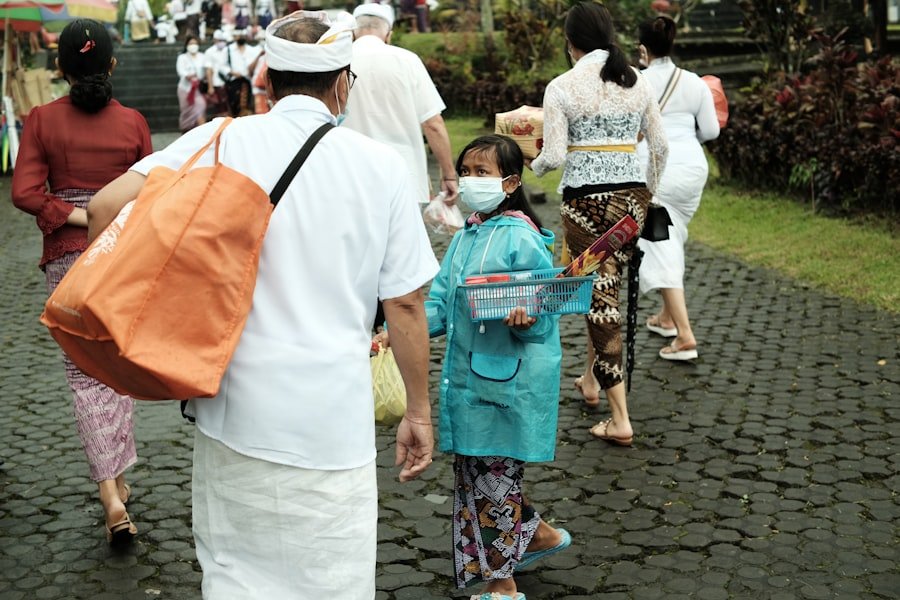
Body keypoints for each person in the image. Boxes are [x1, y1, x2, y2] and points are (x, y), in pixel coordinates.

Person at [87, 13, 438, 598]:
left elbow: (102, 210)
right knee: (332, 578)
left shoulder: (219, 139)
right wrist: (419, 412)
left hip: (233, 409)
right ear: (343, 82)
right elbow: (403, 302)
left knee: (234, 573)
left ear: (268, 79)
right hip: (330, 420)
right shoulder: (381, 167)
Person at [377, 135, 570, 600]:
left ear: (508, 182)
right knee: (480, 475)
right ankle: (539, 534)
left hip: (505, 387)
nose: (470, 180)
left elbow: (545, 312)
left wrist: (528, 319)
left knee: (492, 483)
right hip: (469, 384)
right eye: (466, 170)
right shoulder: (468, 233)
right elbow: (442, 301)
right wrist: (394, 332)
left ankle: (502, 586)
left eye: (482, 173)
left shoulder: (521, 237)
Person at [11, 19, 152, 546]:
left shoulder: (42, 119)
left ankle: (110, 493)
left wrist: (75, 216)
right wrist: (105, 217)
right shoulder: (134, 122)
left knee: (83, 376)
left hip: (67, 261)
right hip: (123, 258)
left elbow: (25, 193)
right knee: (117, 366)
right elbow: (150, 193)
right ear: (112, 64)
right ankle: (116, 480)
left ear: (61, 68)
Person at [529, 1, 667, 446]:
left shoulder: (562, 86)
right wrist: (651, 194)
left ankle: (620, 418)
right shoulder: (637, 80)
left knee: (599, 301)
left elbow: (551, 156)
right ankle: (591, 382)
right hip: (632, 205)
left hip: (585, 209)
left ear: (570, 43)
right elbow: (661, 147)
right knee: (601, 291)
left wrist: (528, 166)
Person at [636, 16, 719, 361]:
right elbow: (711, 131)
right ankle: (668, 317)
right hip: (692, 169)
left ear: (642, 49)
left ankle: (684, 335)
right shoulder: (695, 83)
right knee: (673, 236)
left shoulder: (635, 81)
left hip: (655, 169)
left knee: (659, 245)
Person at [345, 3, 457, 206]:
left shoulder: (338, 62)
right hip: (404, 175)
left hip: (350, 177)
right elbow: (433, 123)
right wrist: (448, 174)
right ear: (388, 33)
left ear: (353, 32)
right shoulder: (407, 60)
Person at [225, 28, 262, 116]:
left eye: (242, 35)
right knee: (234, 106)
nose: (240, 37)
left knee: (246, 107)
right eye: (238, 35)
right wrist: (231, 72)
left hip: (247, 81)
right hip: (233, 82)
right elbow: (222, 66)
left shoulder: (252, 50)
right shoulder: (228, 50)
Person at [176, 34, 208, 131]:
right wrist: (189, 76)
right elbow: (180, 71)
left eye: (195, 43)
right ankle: (185, 130)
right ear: (186, 45)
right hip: (185, 89)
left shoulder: (202, 56)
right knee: (186, 111)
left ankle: (203, 134)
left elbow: (207, 69)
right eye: (190, 43)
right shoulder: (182, 57)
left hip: (198, 90)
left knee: (200, 108)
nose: (193, 45)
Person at [204, 29, 231, 116]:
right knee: (219, 108)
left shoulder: (229, 50)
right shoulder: (209, 52)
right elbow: (208, 69)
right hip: (216, 83)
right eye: (219, 40)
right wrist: (210, 86)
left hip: (229, 82)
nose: (221, 42)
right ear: (215, 40)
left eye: (223, 40)